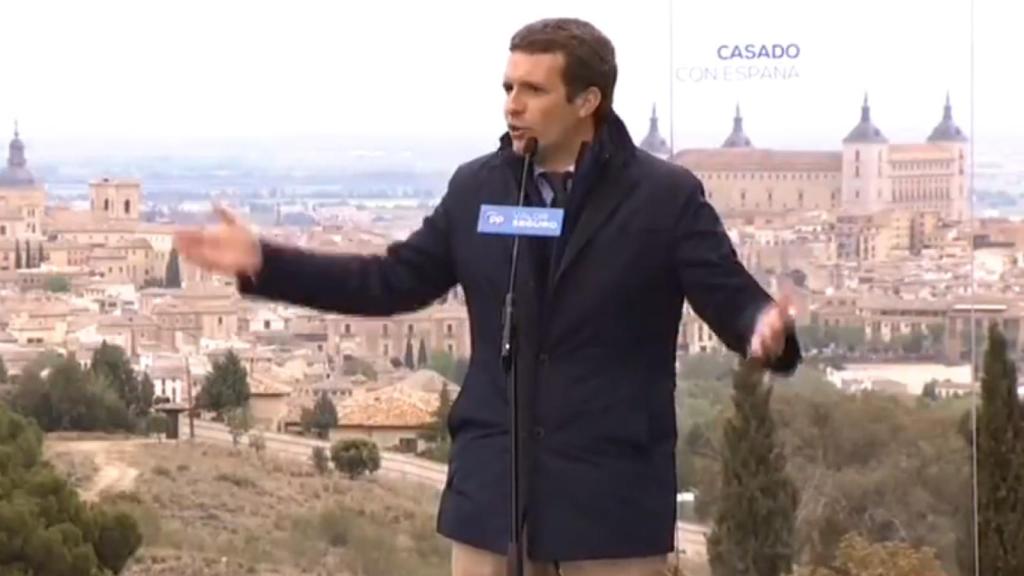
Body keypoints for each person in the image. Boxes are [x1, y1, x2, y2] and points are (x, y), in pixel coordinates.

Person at [174, 17, 801, 576]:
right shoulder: (478, 189)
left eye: (533, 90)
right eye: (508, 87)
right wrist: (267, 263)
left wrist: (763, 330)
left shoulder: (663, 198)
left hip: (609, 504)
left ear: (588, 100)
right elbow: (392, 280)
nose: (512, 105)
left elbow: (733, 300)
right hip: (493, 499)